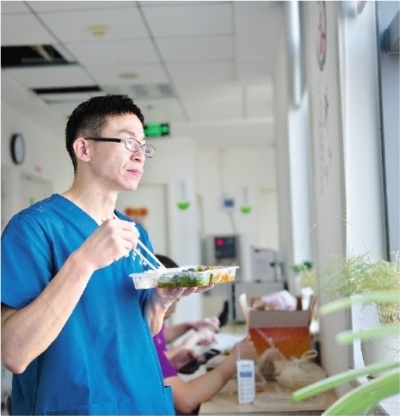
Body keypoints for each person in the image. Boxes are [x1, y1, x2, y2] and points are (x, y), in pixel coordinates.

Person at [1, 94, 213, 415]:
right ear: (84, 149)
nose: (140, 155)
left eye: (144, 146)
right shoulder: (34, 229)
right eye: (128, 142)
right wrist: (84, 262)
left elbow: (137, 332)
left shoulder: (135, 234)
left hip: (144, 404)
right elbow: (14, 353)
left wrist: (160, 302)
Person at [153, 300, 257, 415]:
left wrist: (170, 363)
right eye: (172, 301)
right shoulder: (145, 346)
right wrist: (233, 361)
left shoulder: (148, 335)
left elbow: (158, 345)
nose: (174, 309)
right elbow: (187, 400)